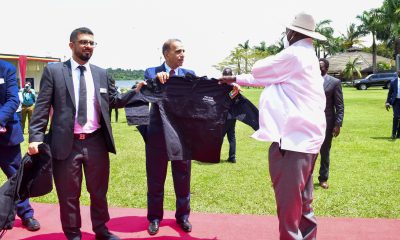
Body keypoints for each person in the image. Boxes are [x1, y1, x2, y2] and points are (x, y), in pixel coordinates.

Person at [219, 12, 327, 240]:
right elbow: (266, 78)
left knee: (289, 207)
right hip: (308, 140)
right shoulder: (307, 57)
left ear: (291, 32)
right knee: (304, 204)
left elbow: (260, 70)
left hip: (292, 142)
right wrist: (236, 79)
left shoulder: (294, 55)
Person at [28, 27, 138, 240]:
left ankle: (101, 230)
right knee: (69, 195)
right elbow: (41, 107)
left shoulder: (101, 74)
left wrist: (136, 90)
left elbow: (113, 101)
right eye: (83, 42)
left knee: (98, 192)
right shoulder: (55, 72)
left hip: (95, 142)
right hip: (65, 144)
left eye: (91, 43)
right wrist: (35, 137)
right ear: (72, 45)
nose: (88, 46)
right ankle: (73, 234)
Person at [144, 39, 195, 235]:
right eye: (178, 51)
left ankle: (183, 216)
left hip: (182, 138)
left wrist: (229, 88)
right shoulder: (152, 71)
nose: (182, 54)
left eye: (184, 51)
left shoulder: (189, 75)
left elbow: (205, 89)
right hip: (157, 137)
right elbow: (147, 87)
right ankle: (155, 218)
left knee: (183, 179)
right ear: (166, 54)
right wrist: (157, 78)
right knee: (155, 180)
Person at [0, 59, 40, 231]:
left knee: (17, 176)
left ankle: (26, 214)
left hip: (6, 135)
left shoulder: (6, 68)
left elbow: (12, 100)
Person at [318, 58, 344, 189]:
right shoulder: (308, 81)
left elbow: (339, 105)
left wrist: (338, 124)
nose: (318, 68)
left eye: (321, 66)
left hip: (327, 122)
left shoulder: (335, 82)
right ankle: (305, 177)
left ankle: (323, 178)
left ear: (326, 68)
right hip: (310, 122)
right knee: (309, 151)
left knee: (325, 151)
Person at [222, 67, 237, 163]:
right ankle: (232, 157)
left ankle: (214, 155)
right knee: (231, 136)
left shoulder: (220, 86)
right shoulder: (235, 87)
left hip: (223, 115)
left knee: (220, 136)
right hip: (233, 116)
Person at [385, 71, 400, 139]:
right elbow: (390, 93)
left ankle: (398, 134)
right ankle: (393, 133)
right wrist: (387, 102)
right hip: (396, 101)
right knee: (396, 117)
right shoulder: (393, 81)